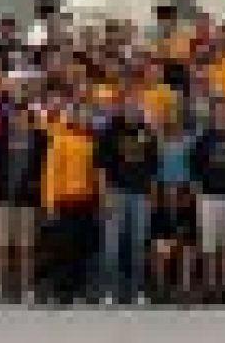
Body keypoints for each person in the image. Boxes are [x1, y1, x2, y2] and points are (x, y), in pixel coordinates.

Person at [96, 95, 159, 305]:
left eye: (136, 109)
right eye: (128, 108)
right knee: (111, 245)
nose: (132, 112)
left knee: (139, 244)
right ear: (122, 109)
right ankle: (109, 292)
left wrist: (152, 195)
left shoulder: (147, 132)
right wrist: (104, 195)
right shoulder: (110, 132)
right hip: (116, 192)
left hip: (140, 195)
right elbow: (102, 167)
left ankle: (138, 291)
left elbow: (152, 167)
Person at [0, 103, 48, 304]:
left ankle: (27, 290)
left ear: (29, 119)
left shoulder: (39, 140)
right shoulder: (0, 140)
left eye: (22, 117)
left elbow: (45, 170)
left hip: (28, 201)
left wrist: (41, 196)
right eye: (15, 117)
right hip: (3, 199)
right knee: (1, 247)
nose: (18, 120)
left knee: (26, 248)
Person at [42, 105, 98, 304]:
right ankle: (61, 291)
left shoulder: (91, 140)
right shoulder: (60, 140)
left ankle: (79, 289)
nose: (83, 118)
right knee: (64, 247)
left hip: (87, 202)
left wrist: (98, 198)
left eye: (86, 115)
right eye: (79, 115)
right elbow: (51, 172)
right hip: (65, 201)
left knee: (82, 248)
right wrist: (50, 202)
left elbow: (96, 173)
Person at [190, 98, 225, 301]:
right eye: (218, 111)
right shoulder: (203, 139)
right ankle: (210, 288)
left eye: (224, 110)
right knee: (209, 246)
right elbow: (194, 168)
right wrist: (198, 194)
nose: (221, 114)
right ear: (212, 114)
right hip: (209, 197)